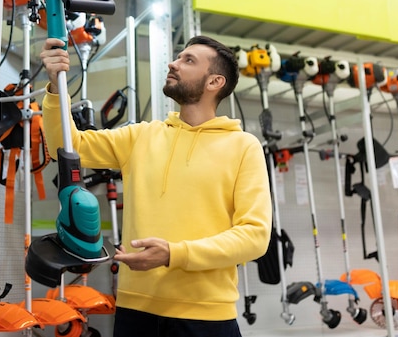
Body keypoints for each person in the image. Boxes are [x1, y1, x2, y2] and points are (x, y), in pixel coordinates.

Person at [40, 35, 272, 337]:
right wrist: (56, 89)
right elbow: (68, 146)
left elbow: (255, 236)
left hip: (206, 317)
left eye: (188, 60)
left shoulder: (243, 147)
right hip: (135, 313)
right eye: (178, 56)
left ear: (215, 81)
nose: (173, 63)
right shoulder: (142, 136)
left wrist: (175, 254)